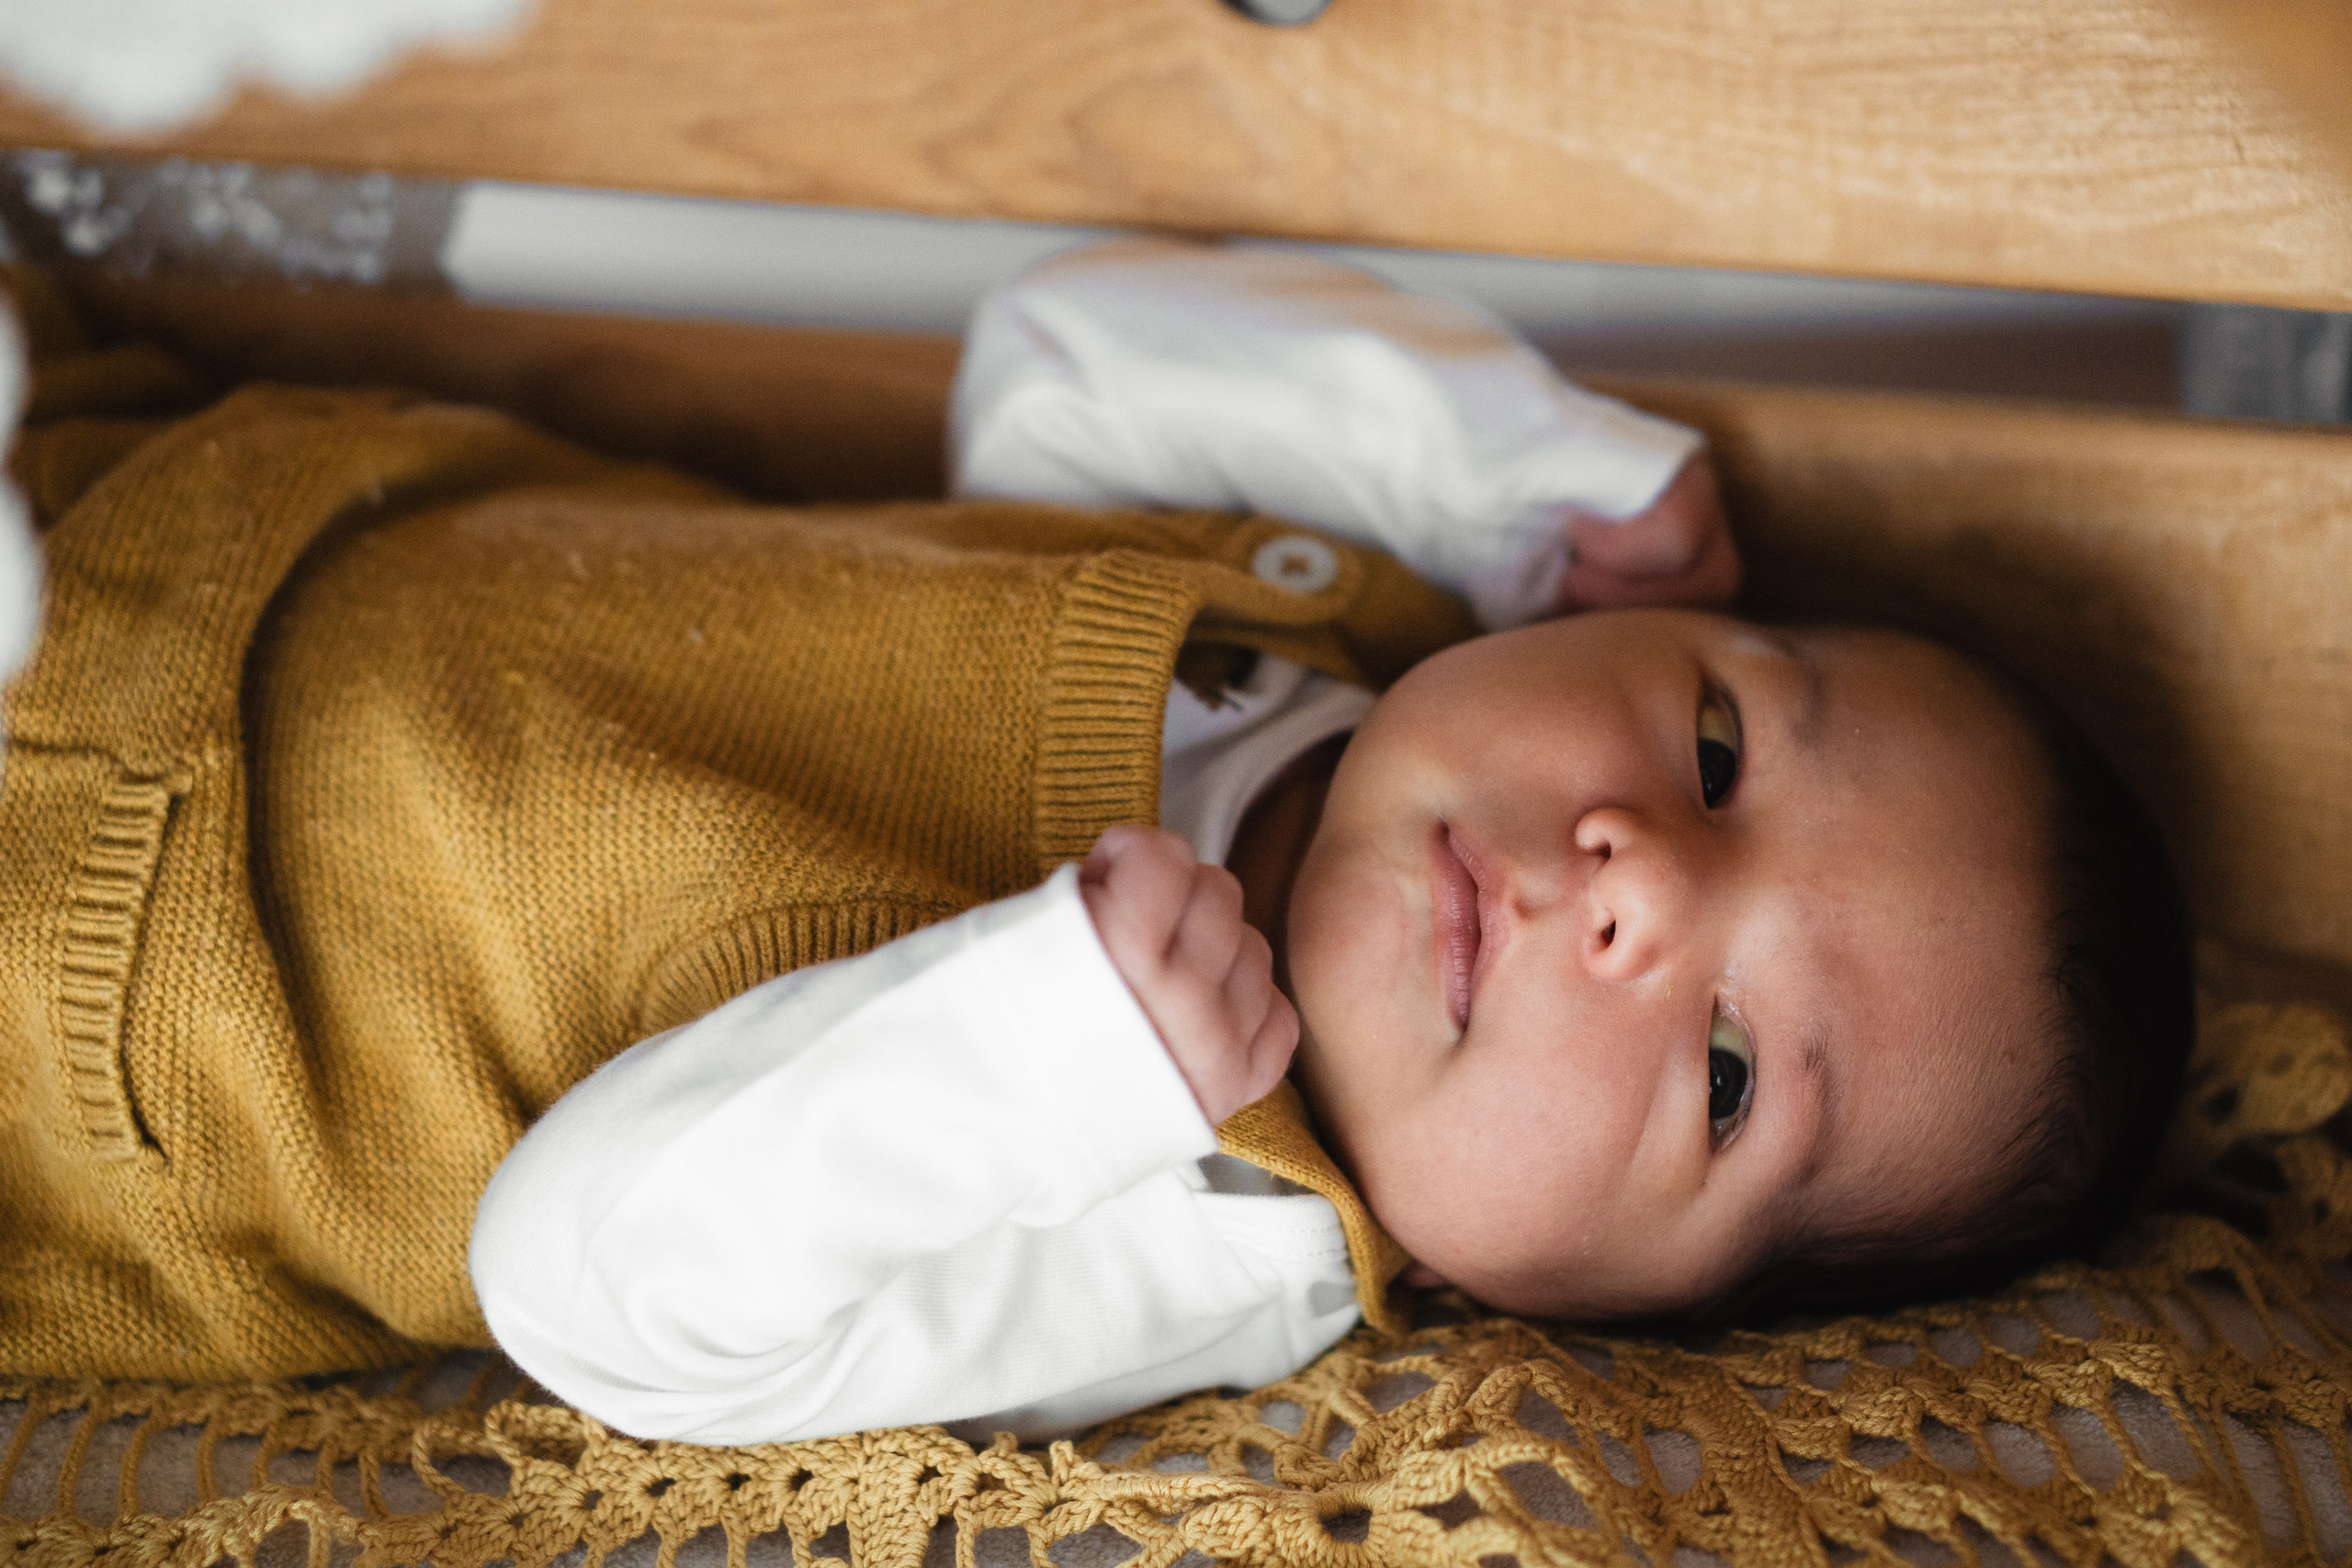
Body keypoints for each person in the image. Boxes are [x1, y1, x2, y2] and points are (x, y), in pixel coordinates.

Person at [0, 245, 2186, 1450]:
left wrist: (1033, 1051)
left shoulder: (1205, 1230)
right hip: (177, 501)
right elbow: (1054, 369)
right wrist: (1489, 463)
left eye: (1722, 1070)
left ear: (1635, 1314)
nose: (1631, 874)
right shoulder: (1335, 617)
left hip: (97, 1027)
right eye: (1714, 738)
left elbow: (585, 1295)